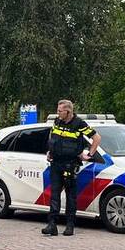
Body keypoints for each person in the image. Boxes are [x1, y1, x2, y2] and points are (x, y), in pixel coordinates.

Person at [43, 99, 101, 236]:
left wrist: (89, 154)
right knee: (54, 195)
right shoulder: (57, 121)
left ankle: (70, 225)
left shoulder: (79, 124)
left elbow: (97, 138)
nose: (58, 113)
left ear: (68, 111)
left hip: (70, 164)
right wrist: (50, 151)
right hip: (56, 163)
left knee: (70, 196)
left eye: (60, 111)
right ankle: (52, 225)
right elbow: (53, 137)